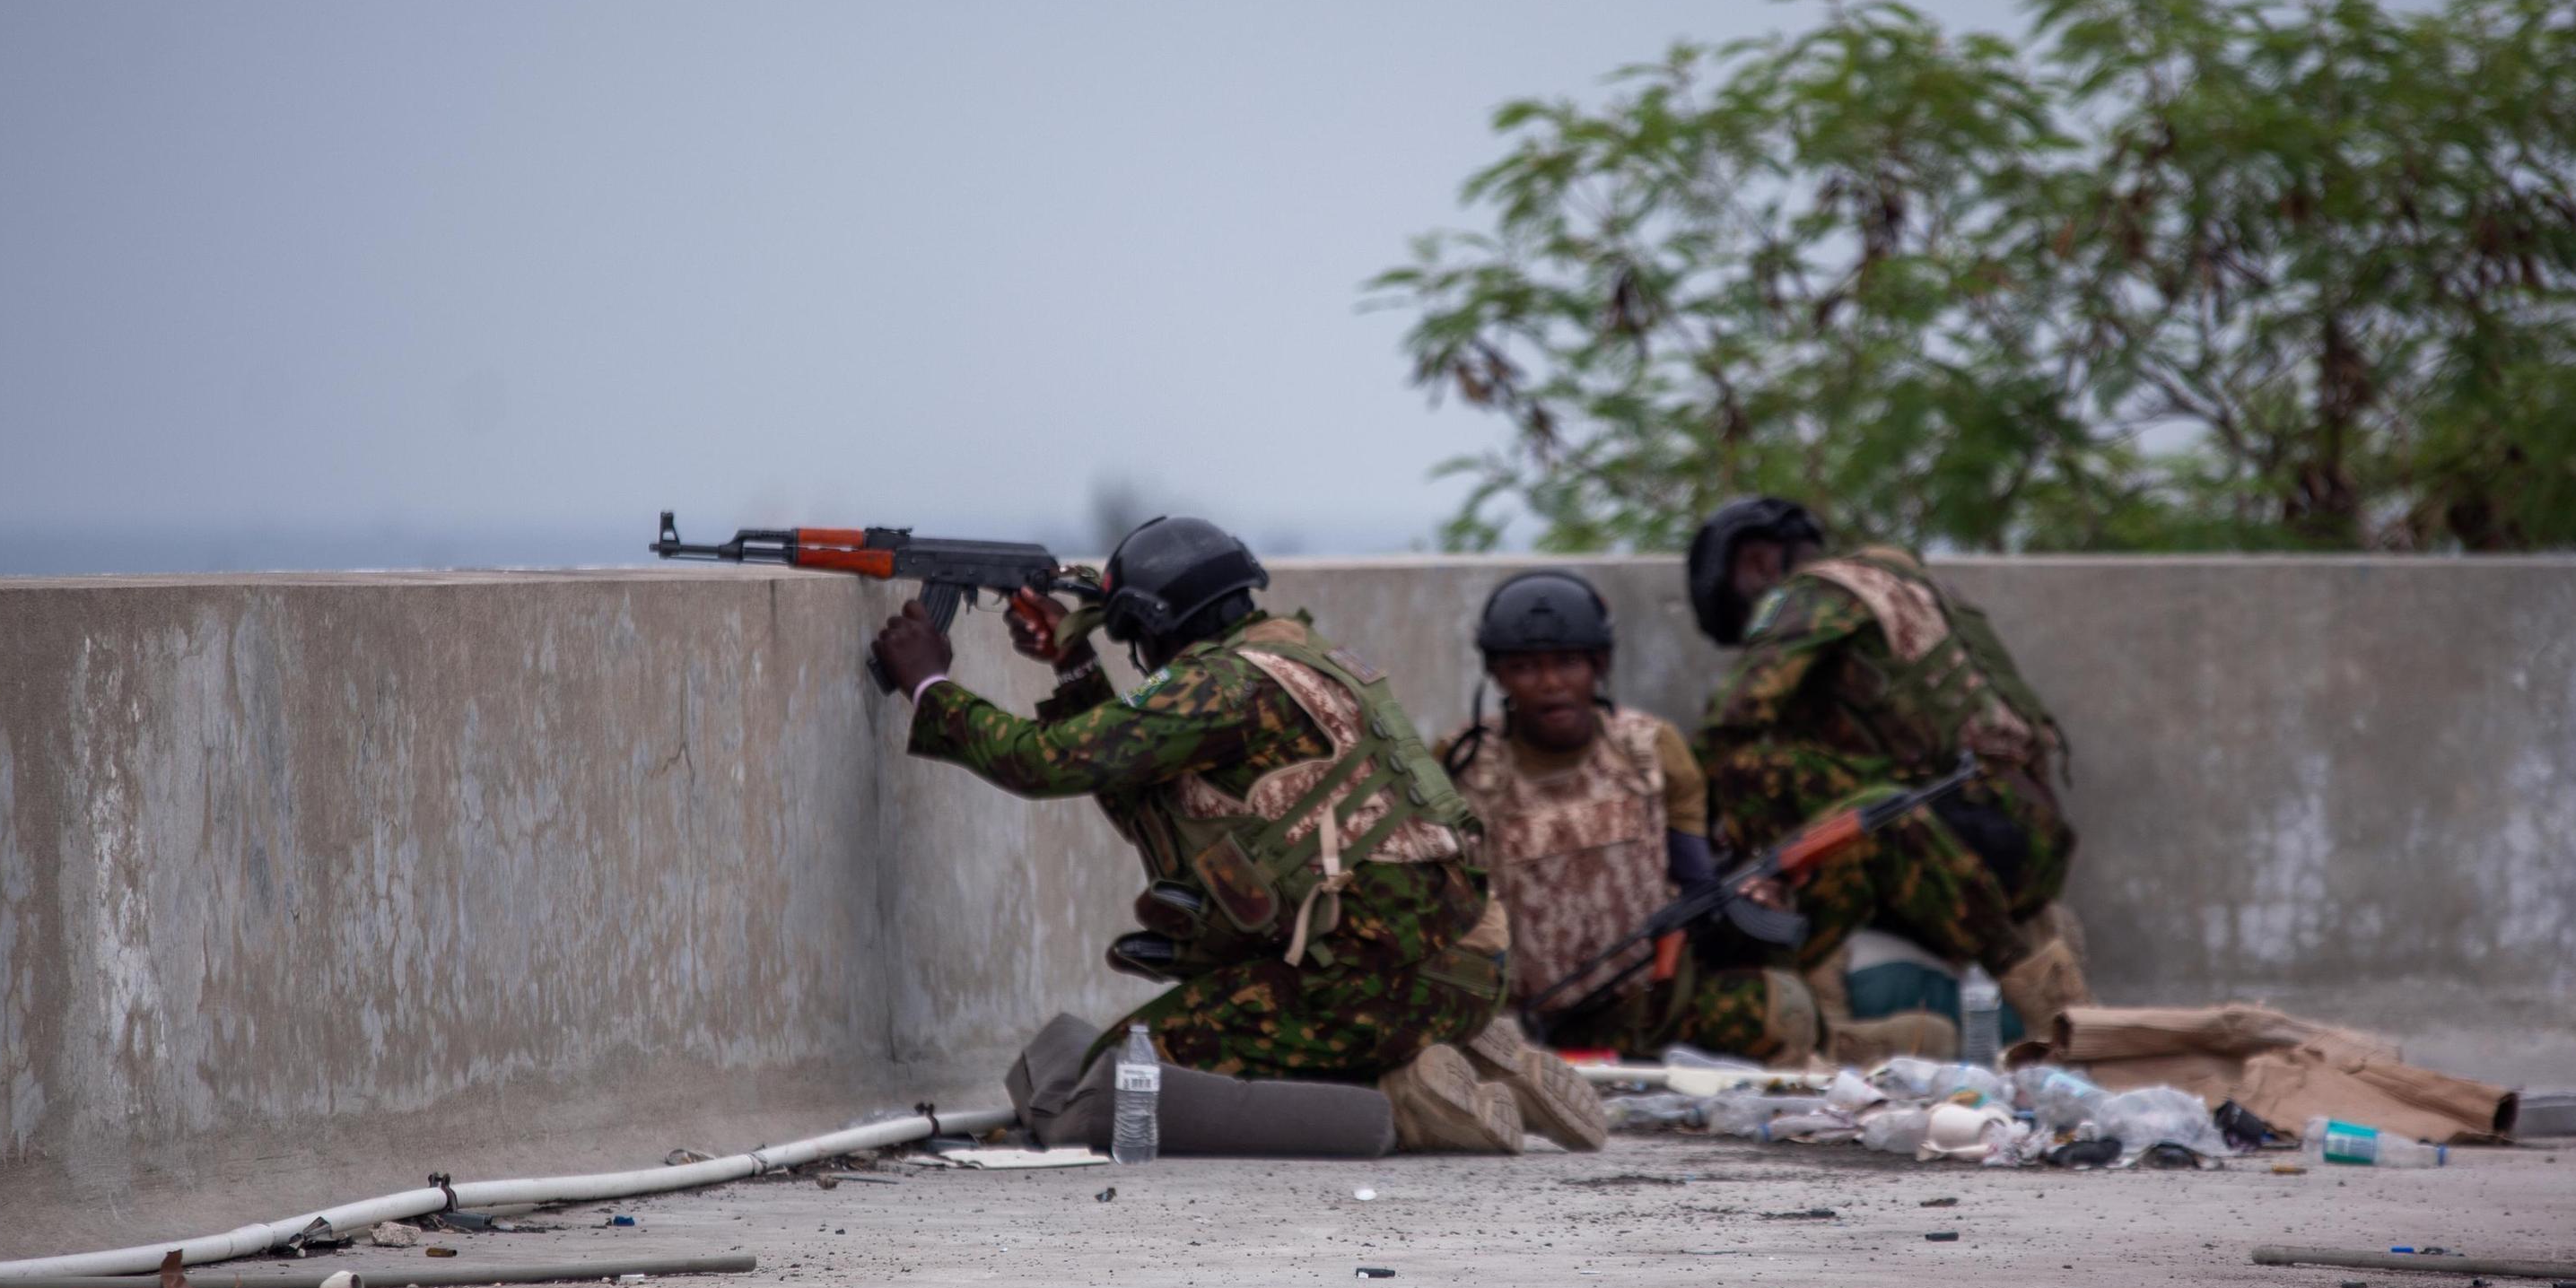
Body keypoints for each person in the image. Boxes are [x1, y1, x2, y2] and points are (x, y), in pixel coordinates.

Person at [869, 515, 1598, 1152]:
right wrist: (1074, 663)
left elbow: (1041, 762)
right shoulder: (1302, 656)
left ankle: (1407, 1100)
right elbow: (1143, 792)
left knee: (1120, 1085)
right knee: (1173, 1052)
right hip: (1465, 965)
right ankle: (1465, 1057)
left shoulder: (1218, 686)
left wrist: (931, 685)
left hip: (1368, 985)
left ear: (1155, 625)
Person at [1686, 496, 2091, 1039]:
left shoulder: (1813, 594)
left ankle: (1819, 1008)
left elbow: (1732, 722)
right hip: (2030, 833)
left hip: (1961, 831)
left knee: (1751, 772)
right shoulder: (1905, 587)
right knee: (1844, 817)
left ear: (1759, 563)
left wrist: (1693, 853)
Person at [1444, 568, 1821, 1064]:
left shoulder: (1651, 750)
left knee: (1780, 1005)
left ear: (1598, 665)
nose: (1551, 683)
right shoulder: (1464, 766)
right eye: (1527, 667)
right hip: (1517, 1022)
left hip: (1643, 1005)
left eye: (1569, 663)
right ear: (1498, 675)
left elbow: (1695, 881)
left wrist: (1746, 898)